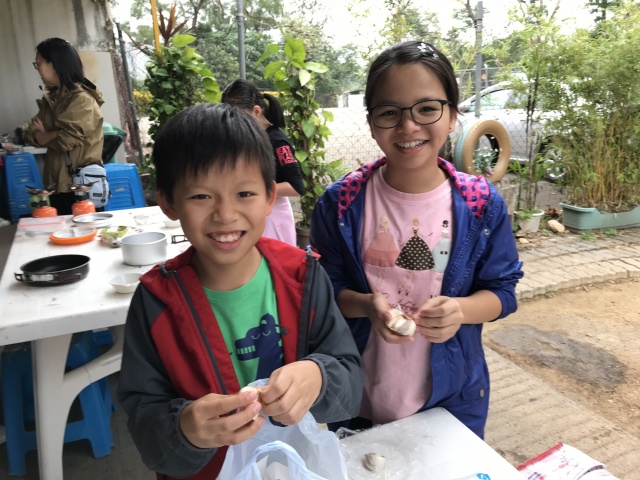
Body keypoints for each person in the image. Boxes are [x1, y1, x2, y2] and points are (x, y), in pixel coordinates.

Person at [117, 103, 363, 480]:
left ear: (269, 197)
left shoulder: (304, 276)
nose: (226, 214)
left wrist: (319, 377)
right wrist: (184, 429)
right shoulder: (155, 302)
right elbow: (143, 417)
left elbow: (350, 376)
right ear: (167, 202)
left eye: (244, 193)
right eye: (201, 196)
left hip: (292, 466)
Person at [310, 40, 524, 438]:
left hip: (451, 401)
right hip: (356, 398)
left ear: (453, 116)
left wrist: (460, 310)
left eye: (426, 108)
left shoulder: (480, 204)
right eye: (390, 112)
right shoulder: (341, 204)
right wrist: (366, 306)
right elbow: (324, 292)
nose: (408, 126)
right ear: (372, 123)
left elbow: (502, 292)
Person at [22, 37, 104, 215]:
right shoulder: (51, 99)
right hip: (56, 185)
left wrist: (46, 134)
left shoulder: (82, 100)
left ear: (54, 64)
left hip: (80, 187)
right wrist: (52, 134)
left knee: (83, 231)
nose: (38, 69)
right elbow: (27, 133)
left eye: (39, 64)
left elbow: (66, 141)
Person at [221, 79, 305, 246]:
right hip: (253, 212)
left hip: (273, 217)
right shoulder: (249, 138)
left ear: (256, 111)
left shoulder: (277, 141)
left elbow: (296, 187)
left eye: (238, 118)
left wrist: (250, 191)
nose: (233, 124)